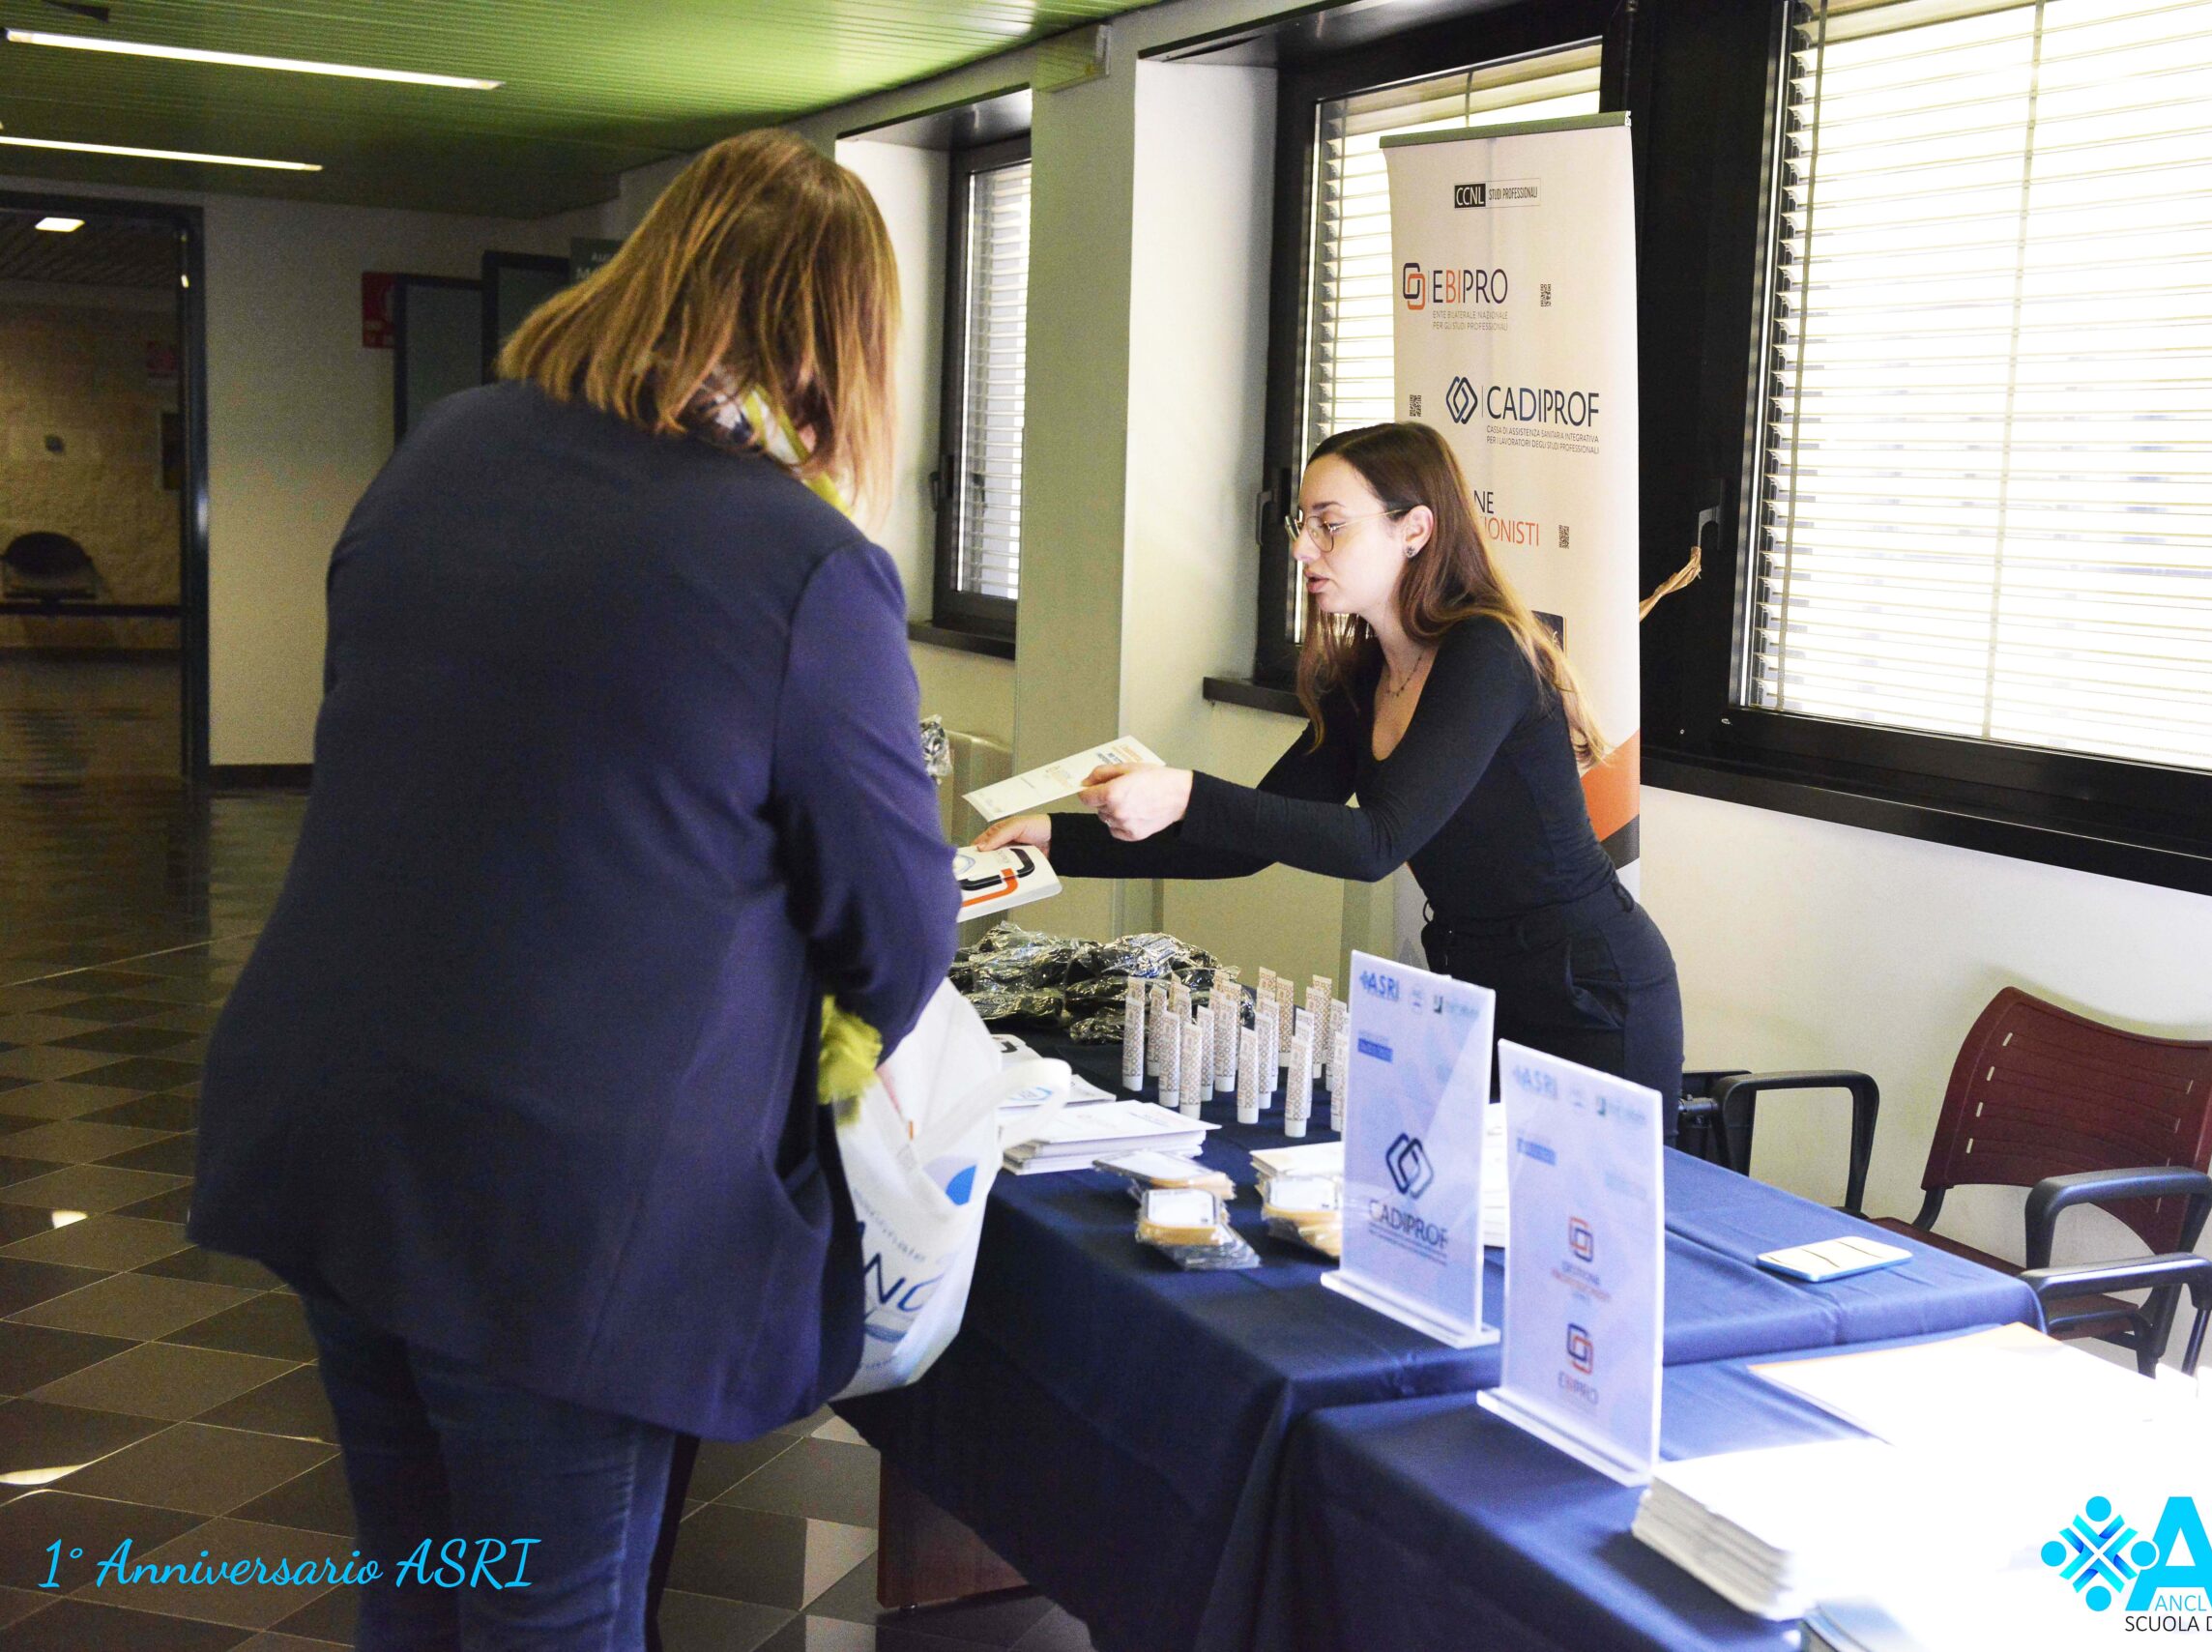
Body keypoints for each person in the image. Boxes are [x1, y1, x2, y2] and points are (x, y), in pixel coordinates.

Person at [189, 130, 957, 1651]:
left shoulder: (447, 450)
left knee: (420, 1583)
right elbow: (898, 931)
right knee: (551, 1619)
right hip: (555, 1212)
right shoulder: (799, 562)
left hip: (342, 1132)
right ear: (832, 344)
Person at [978, 420, 1682, 1116]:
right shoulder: (1369, 675)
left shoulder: (1486, 653)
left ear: (1414, 530)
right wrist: (1054, 839)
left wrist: (1187, 792)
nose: (1301, 548)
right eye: (1302, 523)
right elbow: (1239, 846)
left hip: (1589, 996)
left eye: (1330, 525)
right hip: (1479, 987)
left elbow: (1377, 842)